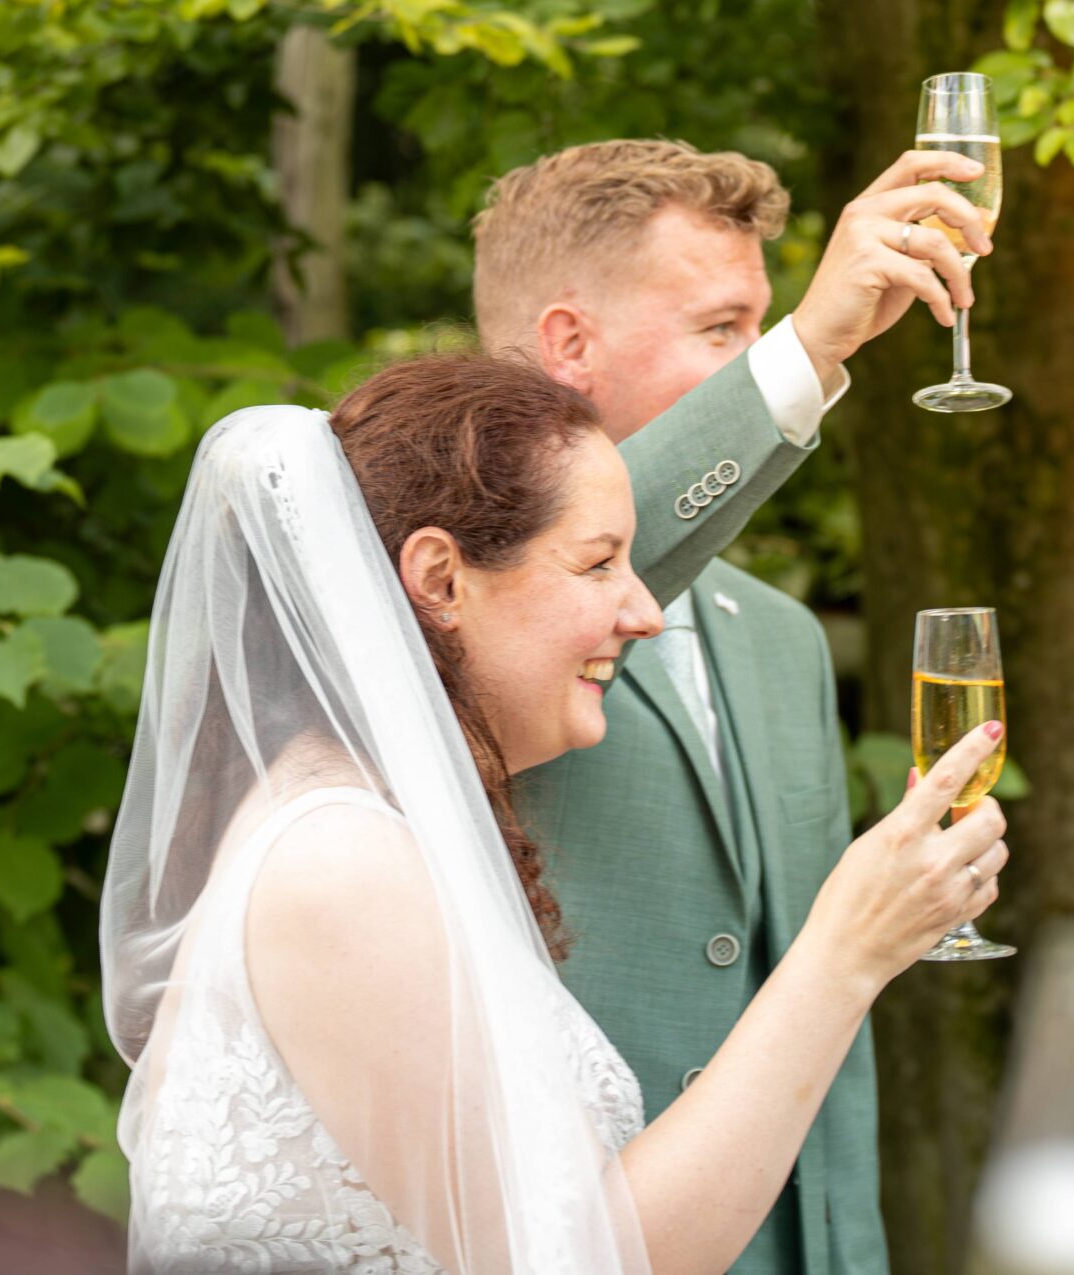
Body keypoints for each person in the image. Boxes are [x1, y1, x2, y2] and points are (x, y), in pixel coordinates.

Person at [100, 356, 1008, 1274]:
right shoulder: (336, 864)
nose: (645, 611)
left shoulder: (360, 826)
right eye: (599, 561)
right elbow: (580, 1259)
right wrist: (844, 952)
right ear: (442, 578)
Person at [472, 140, 991, 1275]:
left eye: (762, 327)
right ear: (568, 344)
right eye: (723, 332)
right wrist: (815, 347)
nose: (757, 358)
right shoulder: (461, 598)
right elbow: (597, 551)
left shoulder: (785, 639)